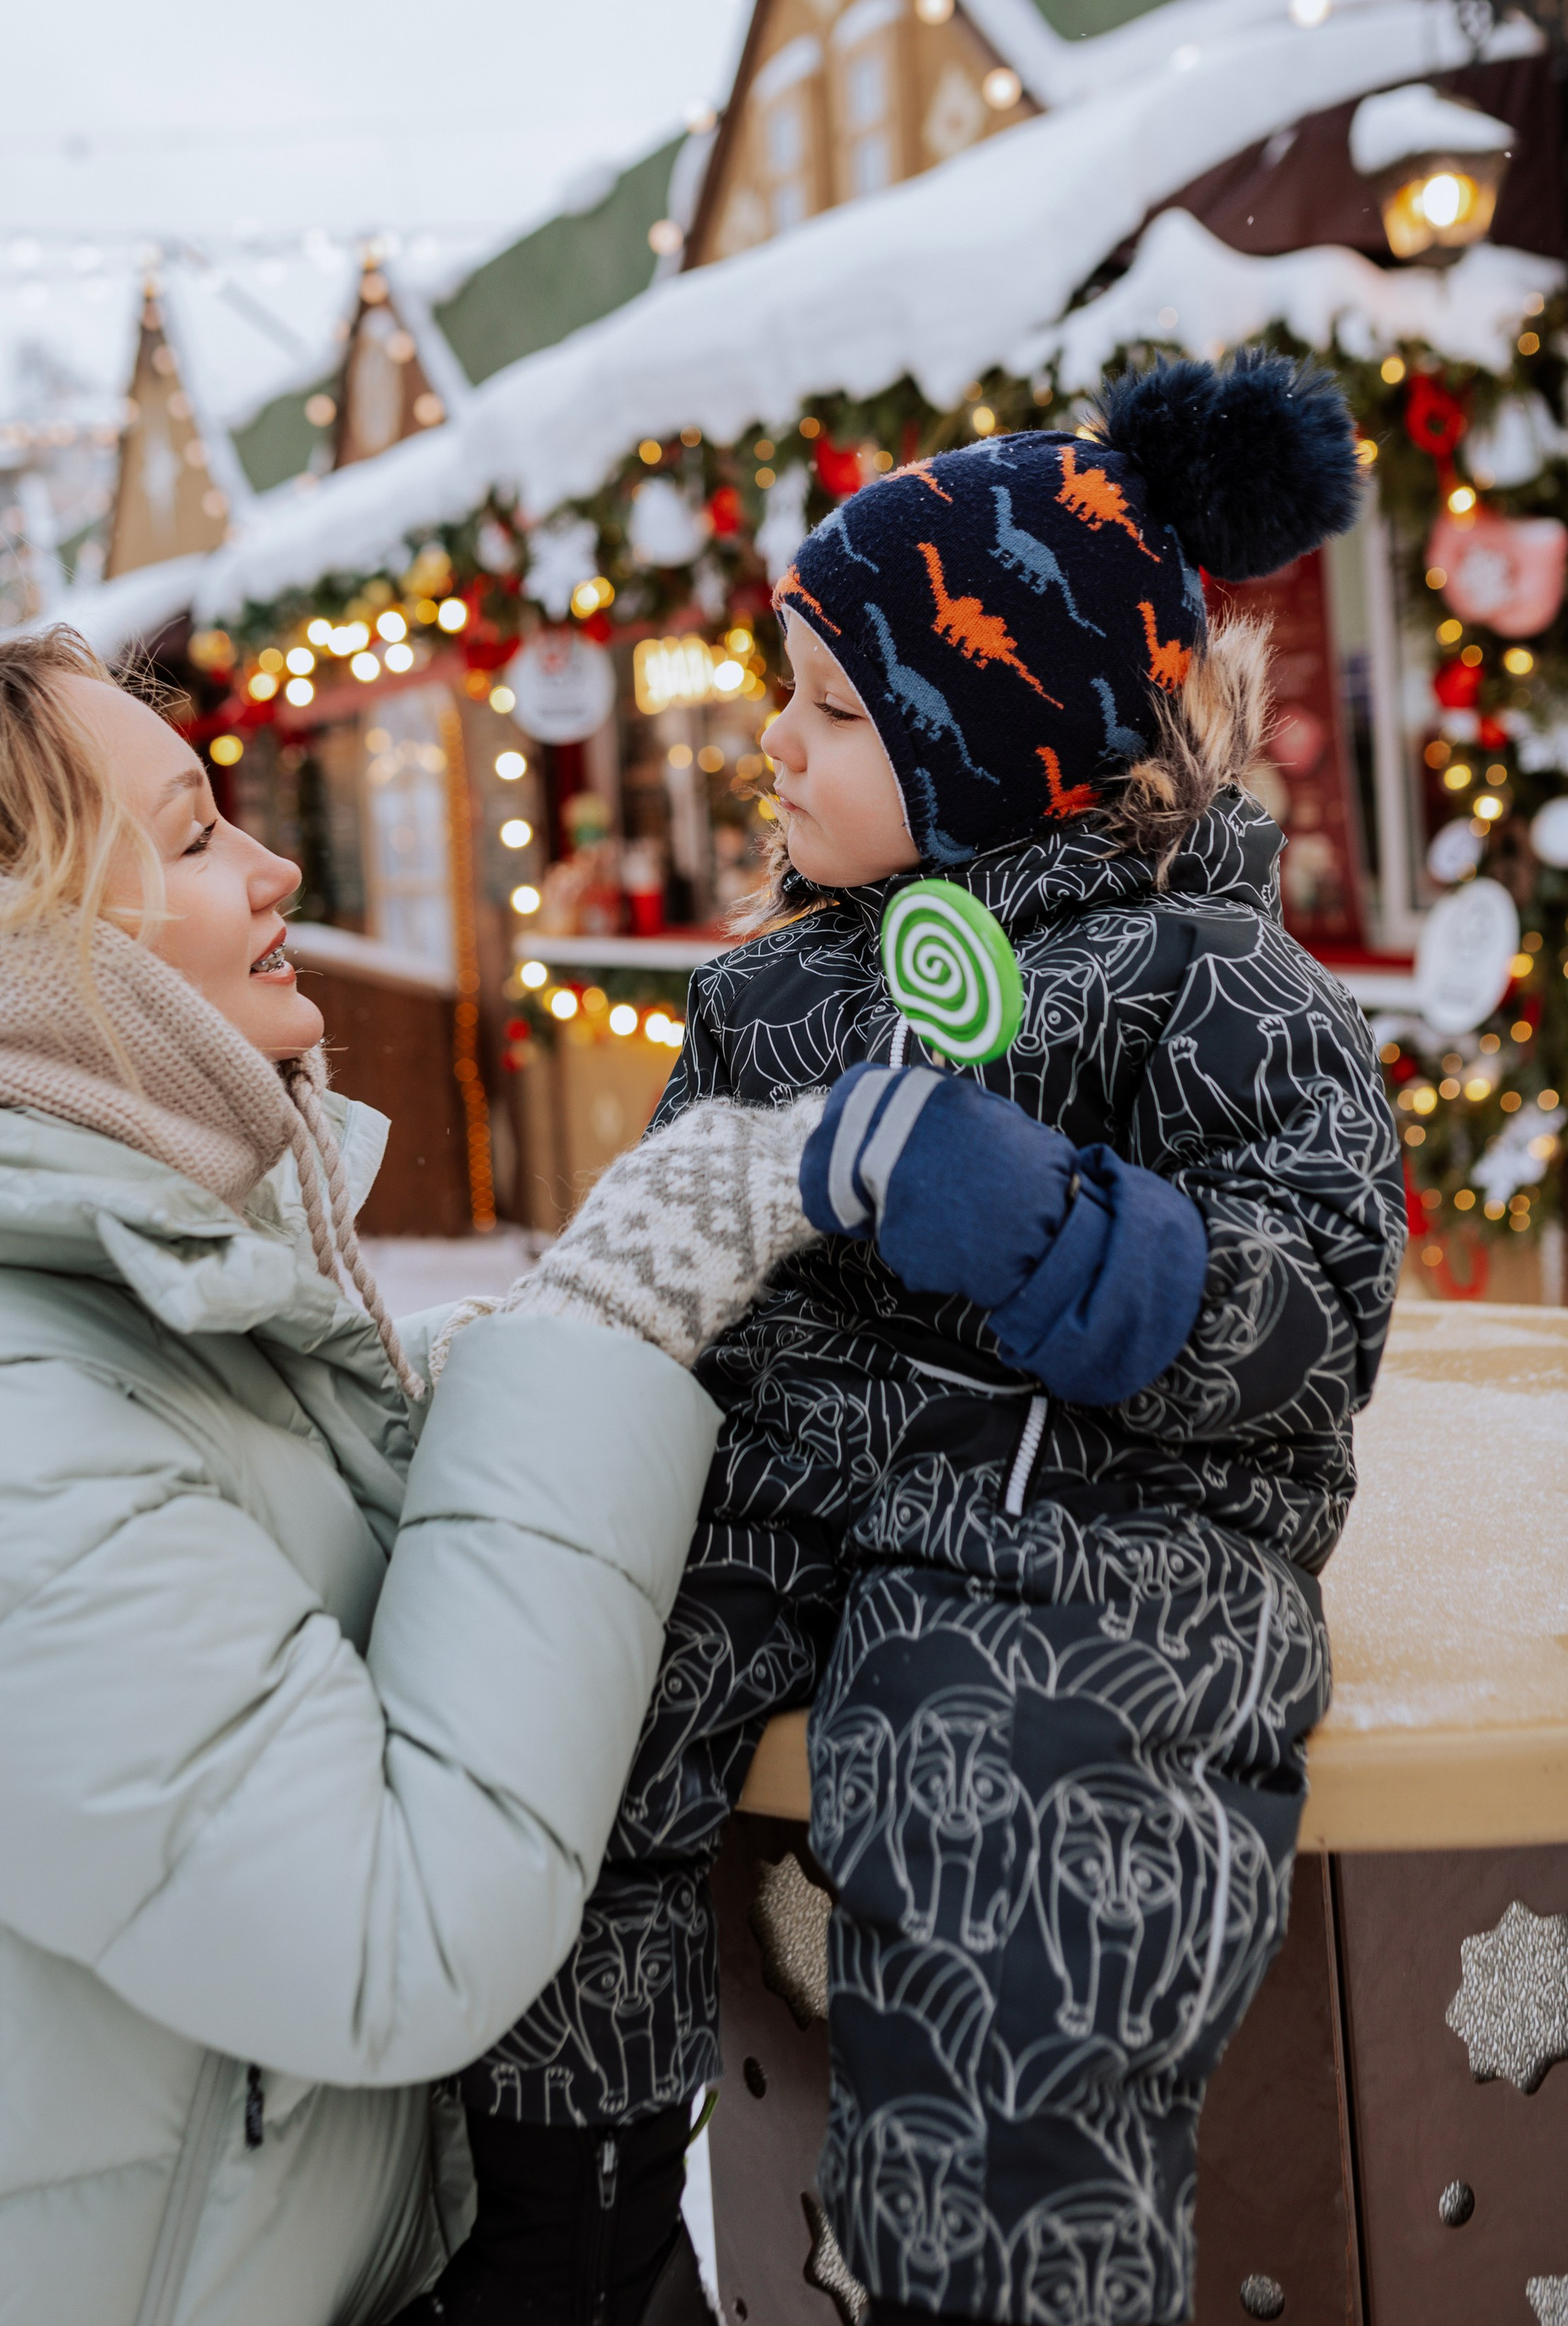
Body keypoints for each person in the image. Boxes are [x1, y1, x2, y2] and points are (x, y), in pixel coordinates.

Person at [0, 628, 825, 2326]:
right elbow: (381, 1938)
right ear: (1, 941)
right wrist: (600, 1338)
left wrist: (494, 1374)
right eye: (191, 835)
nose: (271, 870)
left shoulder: (104, 1293)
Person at [417, 356, 1406, 2326]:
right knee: (567, 1700)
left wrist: (1040, 1217)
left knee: (1016, 1814)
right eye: (784, 694)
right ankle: (572, 2229)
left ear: (1002, 738)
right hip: (793, 1485)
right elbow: (674, 1242)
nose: (774, 749)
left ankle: (986, 2285)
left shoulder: (1204, 982)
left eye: (835, 709)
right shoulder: (782, 985)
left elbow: (1305, 1319)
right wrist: (570, 1364)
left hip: (1090, 1503)